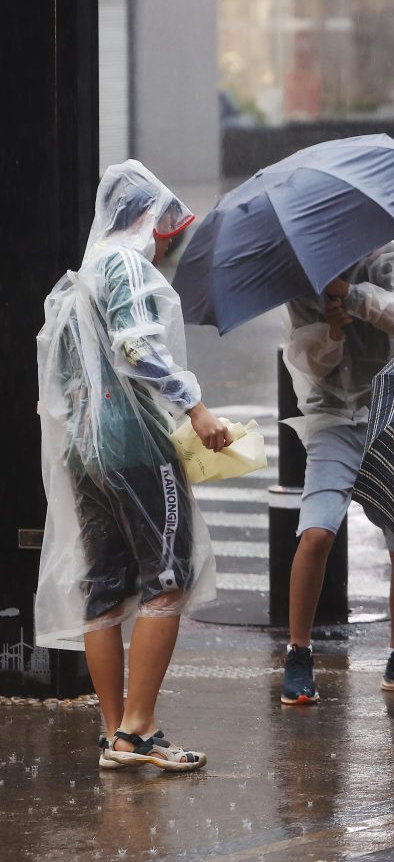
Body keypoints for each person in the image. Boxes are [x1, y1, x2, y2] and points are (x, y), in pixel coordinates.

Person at [36, 161, 231, 771]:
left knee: (104, 584)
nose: (163, 236)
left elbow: (64, 380)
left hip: (85, 448)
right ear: (143, 215)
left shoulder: (82, 277)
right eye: (159, 221)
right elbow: (138, 347)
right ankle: (139, 731)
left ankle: (114, 729)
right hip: (134, 443)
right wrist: (196, 410)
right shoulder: (124, 268)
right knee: (167, 573)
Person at [279, 239, 394, 705]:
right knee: (318, 533)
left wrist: (350, 294)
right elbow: (303, 359)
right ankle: (298, 654)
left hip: (393, 412)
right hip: (332, 419)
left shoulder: (390, 255)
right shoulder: (301, 272)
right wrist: (330, 332)